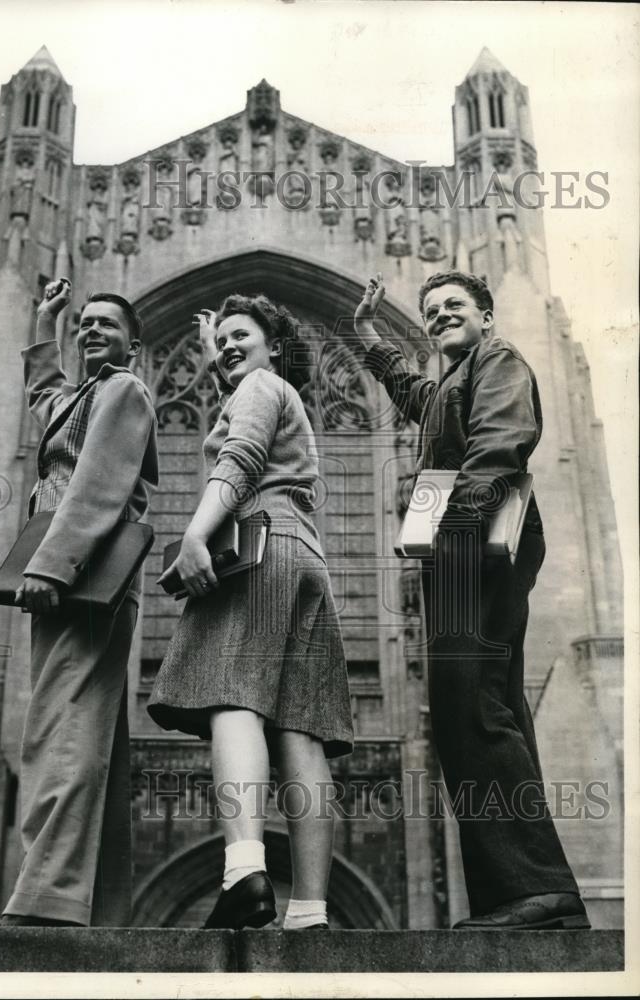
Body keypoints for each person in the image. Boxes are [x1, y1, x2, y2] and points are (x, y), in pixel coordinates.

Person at [353, 270, 589, 930]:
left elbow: (499, 445)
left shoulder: (498, 358)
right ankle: (520, 893)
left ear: (487, 316)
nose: (439, 317)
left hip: (476, 534)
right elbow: (409, 390)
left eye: (454, 307)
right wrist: (371, 335)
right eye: (430, 312)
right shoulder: (447, 385)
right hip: (460, 541)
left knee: (473, 707)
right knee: (479, 710)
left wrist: (452, 530)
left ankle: (535, 886)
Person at [147, 295, 353, 931]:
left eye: (244, 335)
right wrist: (218, 358)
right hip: (302, 557)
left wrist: (194, 535)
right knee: (300, 727)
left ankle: (245, 874)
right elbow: (239, 399)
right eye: (225, 338)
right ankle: (310, 909)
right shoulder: (271, 386)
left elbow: (239, 460)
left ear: (272, 348)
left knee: (234, 700)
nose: (231, 346)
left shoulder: (261, 386)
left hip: (258, 547)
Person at [0, 278, 159, 927]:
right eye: (85, 323)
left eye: (106, 325)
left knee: (62, 731)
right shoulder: (81, 396)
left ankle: (45, 896)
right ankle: (91, 903)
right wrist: (44, 321)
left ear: (133, 344)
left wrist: (53, 567)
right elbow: (45, 398)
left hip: (84, 573)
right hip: (66, 574)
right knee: (83, 728)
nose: (91, 330)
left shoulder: (126, 390)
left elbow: (99, 485)